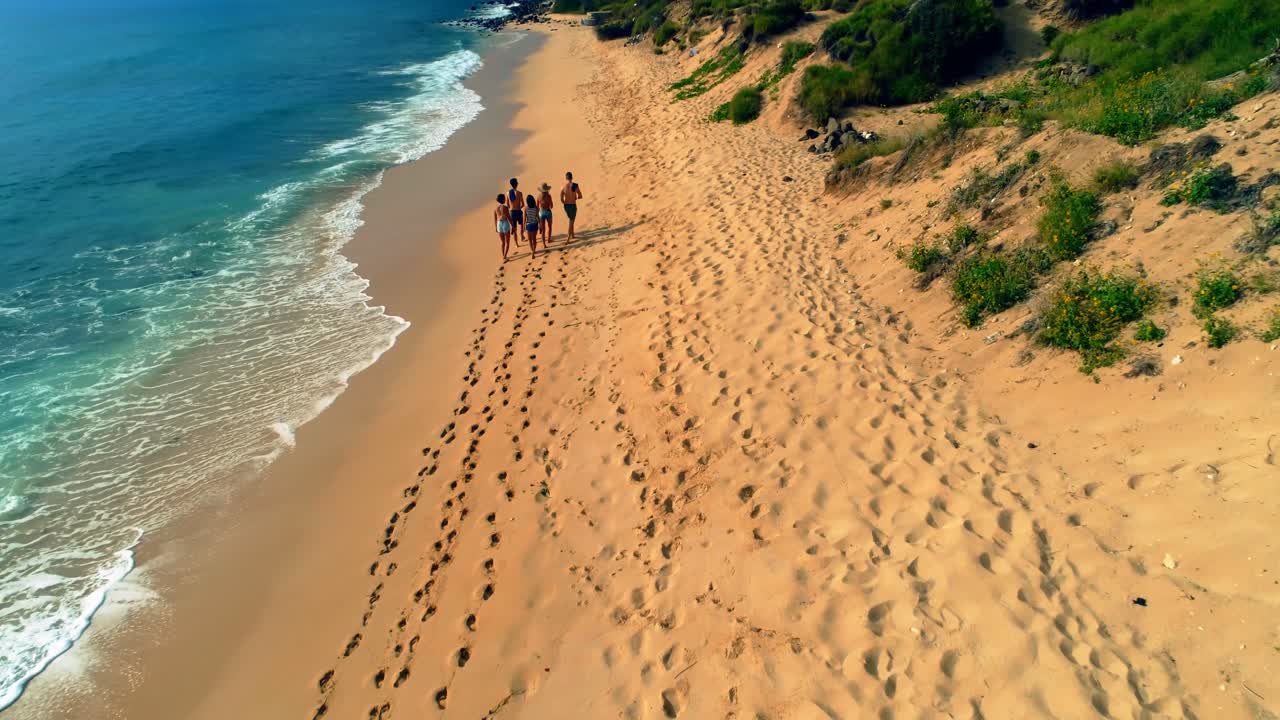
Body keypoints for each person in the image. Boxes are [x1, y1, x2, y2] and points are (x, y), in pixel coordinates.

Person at [560, 171, 583, 241]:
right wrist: (575, 197)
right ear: (572, 177)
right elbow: (580, 196)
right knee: (571, 220)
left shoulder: (563, 187)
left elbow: (561, 198)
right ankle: (568, 237)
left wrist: (565, 202)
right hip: (573, 205)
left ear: (566, 178)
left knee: (571, 219)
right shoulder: (575, 185)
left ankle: (572, 234)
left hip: (566, 206)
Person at [493, 194, 512, 261]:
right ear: (503, 200)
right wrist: (513, 226)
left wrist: (496, 227)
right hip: (505, 223)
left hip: (499, 224)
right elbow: (509, 217)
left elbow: (495, 219)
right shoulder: (506, 208)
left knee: (502, 242)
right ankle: (505, 256)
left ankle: (503, 255)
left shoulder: (496, 209)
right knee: (507, 242)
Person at [507, 178, 526, 246]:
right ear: (517, 184)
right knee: (521, 225)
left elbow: (508, 205)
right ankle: (522, 236)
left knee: (514, 228)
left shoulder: (508, 193)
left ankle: (516, 243)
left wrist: (512, 208)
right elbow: (523, 204)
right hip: (518, 211)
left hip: (512, 212)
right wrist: (519, 208)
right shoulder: (520, 193)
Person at [537, 182, 554, 247]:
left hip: (541, 212)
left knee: (543, 229)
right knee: (549, 226)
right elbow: (551, 205)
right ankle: (549, 239)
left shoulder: (538, 196)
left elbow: (537, 206)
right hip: (547, 211)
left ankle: (544, 244)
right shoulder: (548, 196)